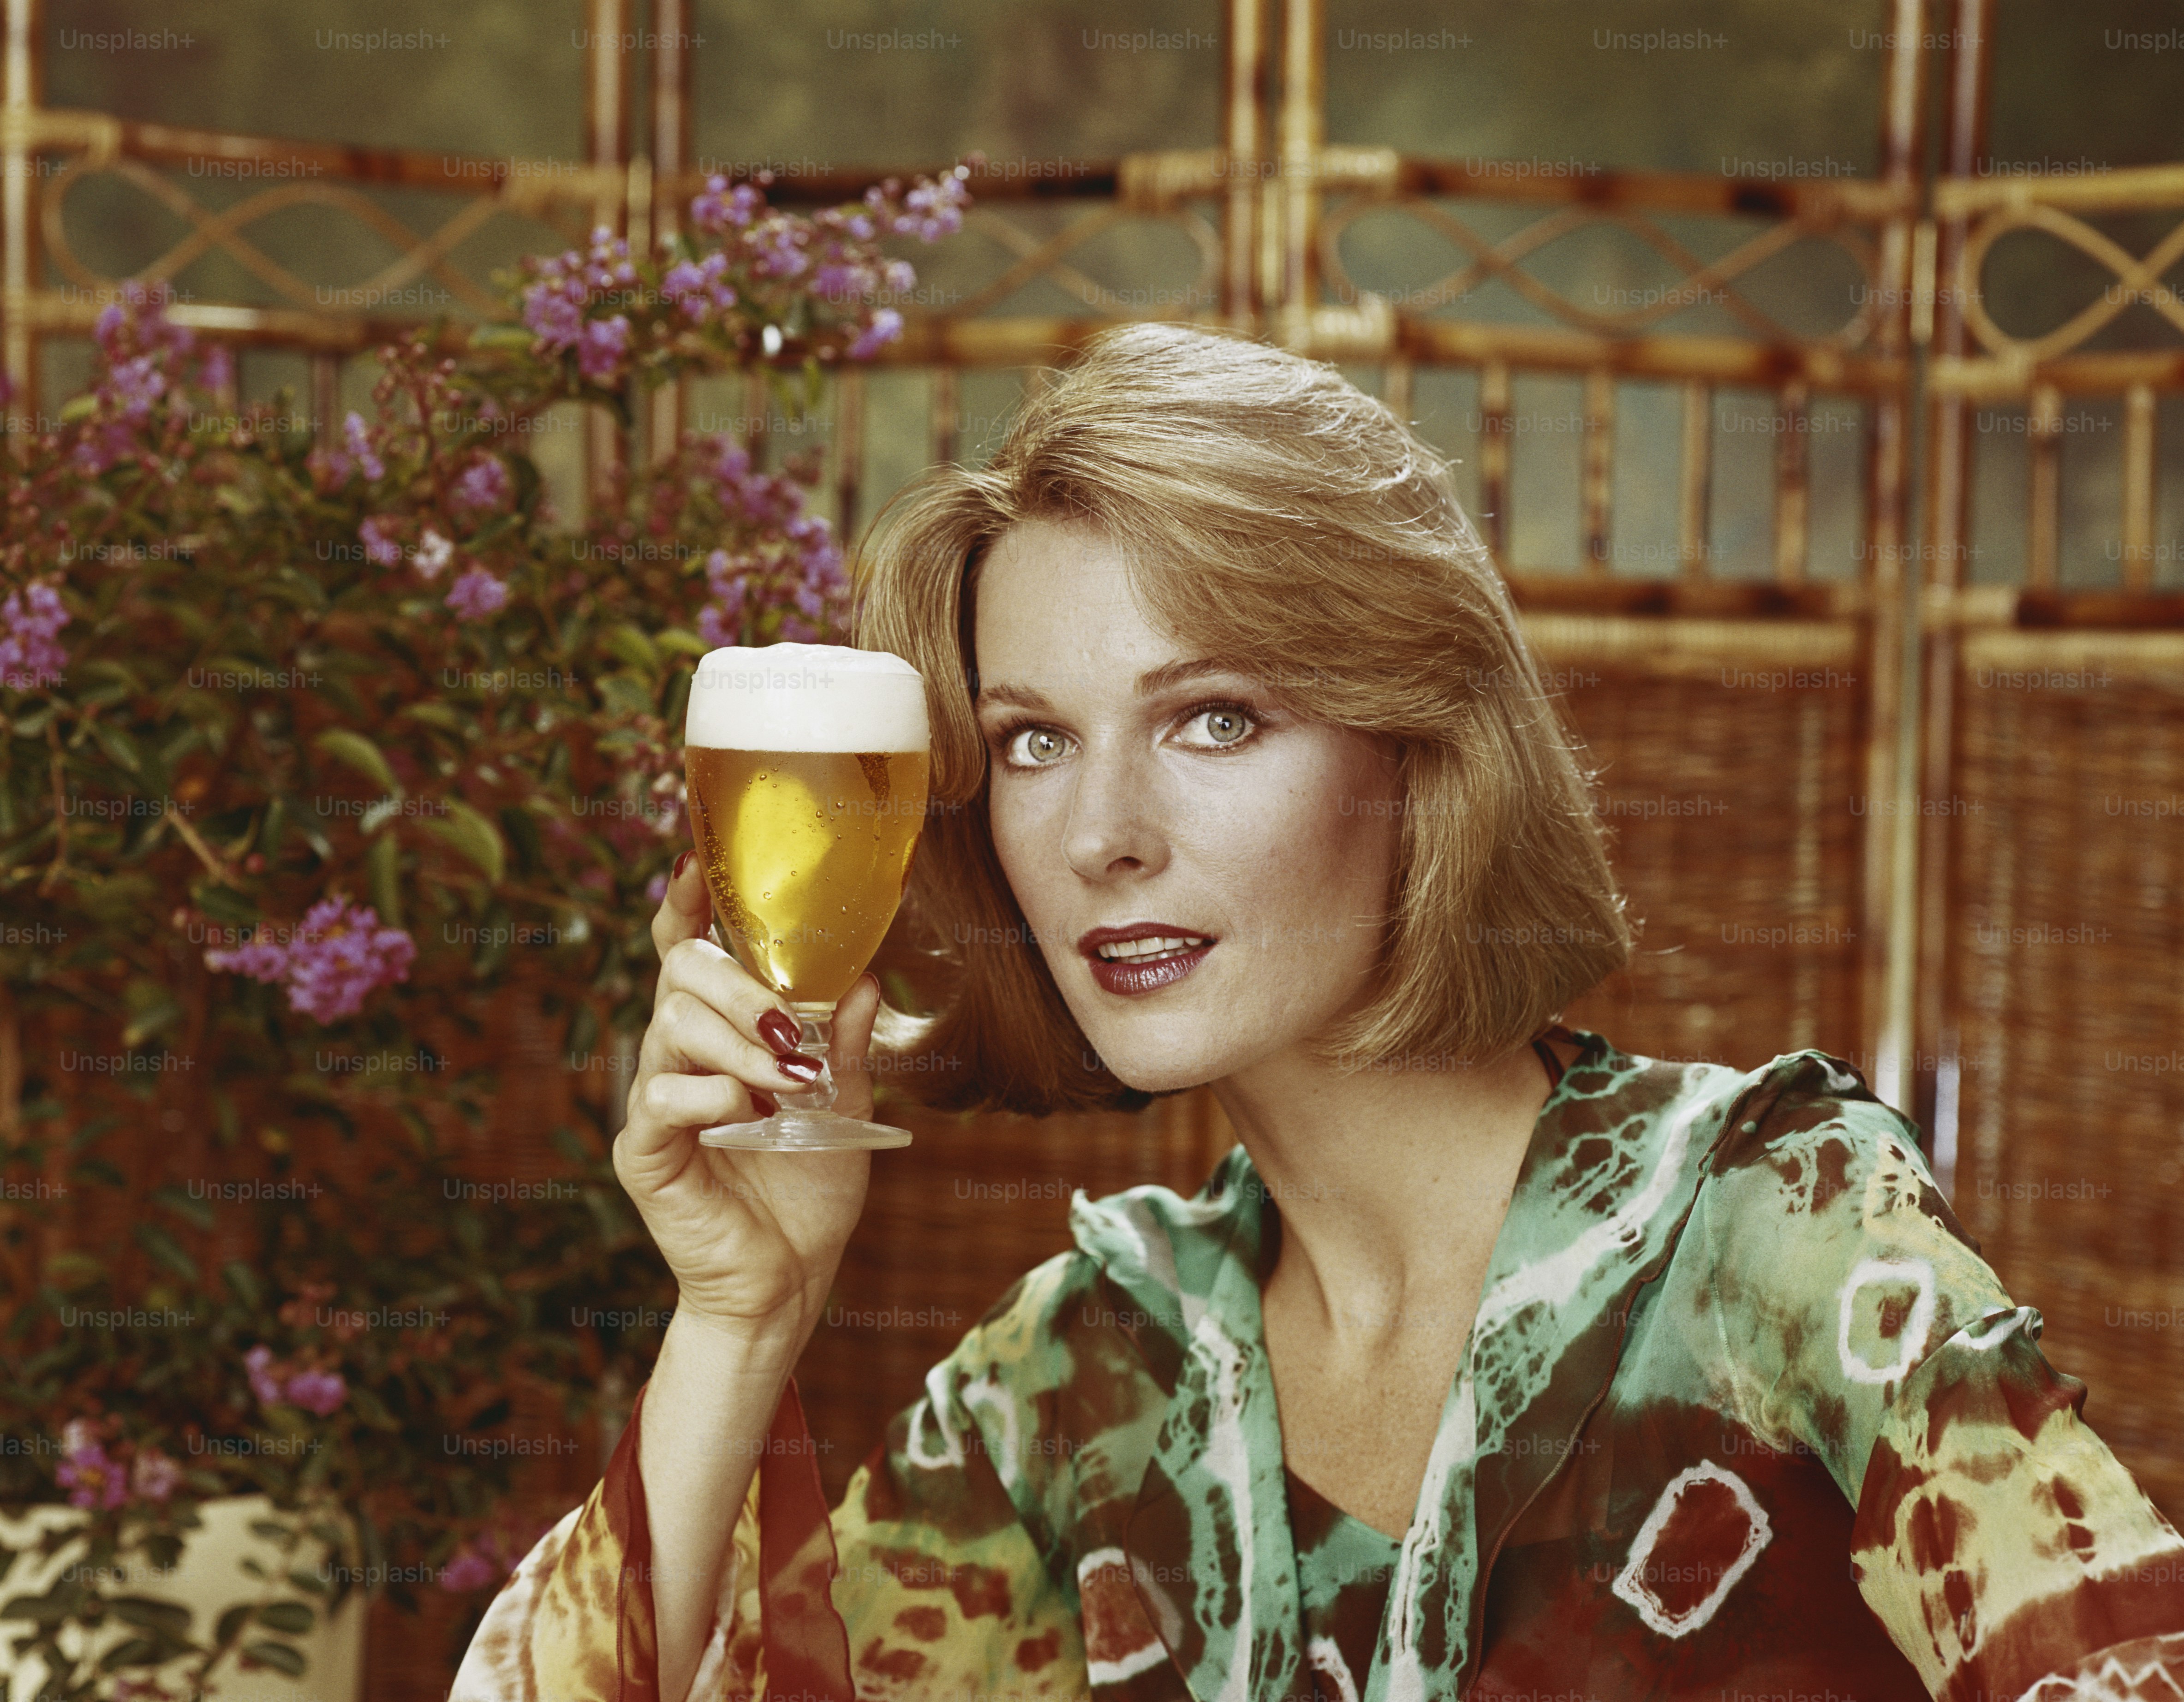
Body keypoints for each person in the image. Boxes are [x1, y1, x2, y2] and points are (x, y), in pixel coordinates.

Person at [453, 324, 2184, 1702]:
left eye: (1212, 717)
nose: (1103, 833)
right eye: (1037, 739)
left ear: (1416, 743)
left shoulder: (1773, 1232)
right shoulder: (1084, 1375)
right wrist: (742, 1311)